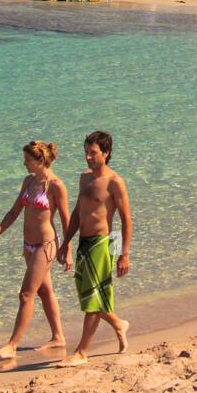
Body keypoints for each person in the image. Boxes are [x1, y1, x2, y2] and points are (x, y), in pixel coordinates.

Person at [0, 140, 71, 360]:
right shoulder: (28, 182)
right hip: (28, 245)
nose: (24, 163)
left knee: (25, 295)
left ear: (40, 160)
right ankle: (58, 337)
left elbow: (66, 219)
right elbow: (13, 212)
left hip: (46, 245)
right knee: (44, 291)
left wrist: (67, 249)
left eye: (28, 160)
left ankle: (11, 345)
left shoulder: (56, 185)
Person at [56, 131, 131, 365]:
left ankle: (81, 352)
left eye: (93, 153)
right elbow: (78, 213)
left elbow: (126, 219)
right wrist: (66, 242)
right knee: (89, 296)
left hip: (102, 244)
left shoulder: (115, 182)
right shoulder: (84, 178)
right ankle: (119, 324)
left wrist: (123, 255)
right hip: (83, 244)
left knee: (93, 300)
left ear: (106, 153)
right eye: (86, 153)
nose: (88, 157)